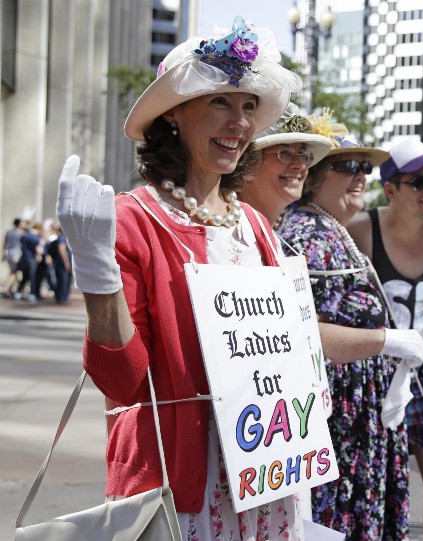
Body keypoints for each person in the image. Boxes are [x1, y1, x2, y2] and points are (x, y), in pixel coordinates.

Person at [55, 19, 310, 540]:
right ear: (173, 112)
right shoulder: (135, 219)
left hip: (264, 478)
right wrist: (99, 278)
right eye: (220, 102)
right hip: (179, 485)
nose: (239, 122)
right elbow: (122, 382)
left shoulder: (255, 225)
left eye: (247, 106)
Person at [278, 129, 423, 539]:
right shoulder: (306, 234)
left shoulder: (330, 229)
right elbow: (301, 332)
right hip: (339, 419)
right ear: (314, 177)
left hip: (357, 414)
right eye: (347, 166)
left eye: (366, 167)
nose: (362, 175)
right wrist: (386, 341)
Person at [349, 138, 423, 541]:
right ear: (391, 189)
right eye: (420, 182)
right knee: (375, 489)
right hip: (375, 380)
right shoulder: (360, 231)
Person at [239, 103, 334, 225]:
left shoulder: (272, 234)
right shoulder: (228, 233)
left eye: (304, 155)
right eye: (285, 154)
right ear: (249, 164)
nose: (301, 165)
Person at [2, 218, 26, 297]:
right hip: (17, 254)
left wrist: (4, 253)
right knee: (14, 273)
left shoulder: (9, 232)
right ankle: (6, 288)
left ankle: (10, 289)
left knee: (13, 272)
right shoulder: (21, 233)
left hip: (9, 254)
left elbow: (5, 244)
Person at [49, 224, 72, 304]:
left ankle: (62, 297)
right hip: (62, 263)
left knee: (64, 281)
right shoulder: (62, 237)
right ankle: (62, 298)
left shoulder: (63, 237)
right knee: (63, 281)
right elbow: (62, 251)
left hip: (62, 263)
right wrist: (66, 263)